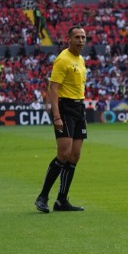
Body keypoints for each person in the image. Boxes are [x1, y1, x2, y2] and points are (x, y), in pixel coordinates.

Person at [35, 26, 88, 212]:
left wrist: (82, 110)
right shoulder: (62, 59)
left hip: (79, 107)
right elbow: (53, 89)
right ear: (69, 39)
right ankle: (42, 197)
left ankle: (62, 200)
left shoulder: (80, 59)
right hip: (65, 108)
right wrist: (56, 116)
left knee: (74, 156)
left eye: (83, 37)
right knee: (63, 154)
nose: (81, 40)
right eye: (77, 37)